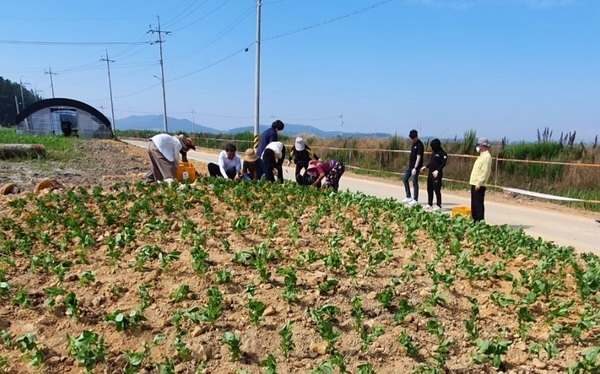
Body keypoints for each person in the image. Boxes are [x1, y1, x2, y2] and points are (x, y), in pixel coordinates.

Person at [420, 138, 448, 211]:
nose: (432, 148)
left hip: (437, 174)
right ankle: (430, 203)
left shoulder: (443, 153)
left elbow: (443, 163)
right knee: (429, 189)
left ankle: (438, 205)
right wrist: (426, 167)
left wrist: (438, 170)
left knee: (437, 190)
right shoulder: (434, 153)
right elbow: (431, 162)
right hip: (430, 173)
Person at [469, 137, 493, 222]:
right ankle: (475, 220)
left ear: (483, 146)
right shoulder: (481, 156)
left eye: (479, 145)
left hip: (479, 184)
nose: (478, 147)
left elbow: (484, 172)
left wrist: (479, 183)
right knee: (474, 204)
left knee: (478, 204)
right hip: (474, 182)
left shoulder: (487, 157)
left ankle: (480, 221)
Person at [402, 129, 424, 206]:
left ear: (417, 137)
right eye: (411, 139)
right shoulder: (413, 144)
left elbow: (419, 157)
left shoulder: (420, 145)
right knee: (405, 179)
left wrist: (415, 167)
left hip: (416, 167)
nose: (413, 140)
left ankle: (415, 199)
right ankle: (408, 196)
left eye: (414, 138)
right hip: (410, 166)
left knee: (414, 182)